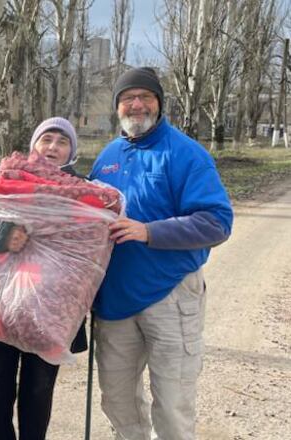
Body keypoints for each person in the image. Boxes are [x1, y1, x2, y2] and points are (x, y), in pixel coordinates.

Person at [89, 67, 234, 440]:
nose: (137, 104)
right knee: (118, 403)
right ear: (117, 106)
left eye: (146, 97)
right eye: (128, 98)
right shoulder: (106, 158)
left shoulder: (186, 154)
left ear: (159, 103)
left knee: (172, 403)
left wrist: (149, 232)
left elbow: (217, 222)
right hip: (115, 303)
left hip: (170, 296)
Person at [0, 117, 88, 440]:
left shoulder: (84, 192)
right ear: (33, 146)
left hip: (52, 311)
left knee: (38, 396)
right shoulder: (5, 179)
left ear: (71, 152)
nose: (53, 147)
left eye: (62, 141)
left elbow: (93, 250)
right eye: (47, 139)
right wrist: (3, 234)